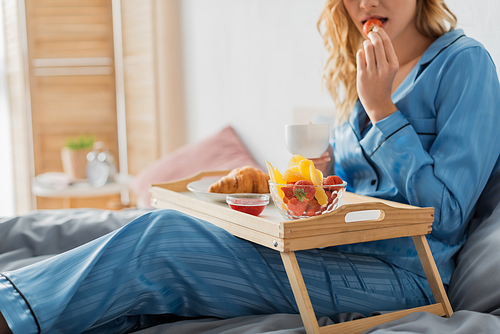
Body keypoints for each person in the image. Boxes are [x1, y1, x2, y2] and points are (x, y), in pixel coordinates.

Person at [1, 0, 500, 333]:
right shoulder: (362, 69)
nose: (368, 1)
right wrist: (320, 178)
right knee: (167, 252)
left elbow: (448, 212)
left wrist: (383, 112)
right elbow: (362, 191)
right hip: (326, 248)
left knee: (163, 238)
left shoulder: (464, 64)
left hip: (402, 275)